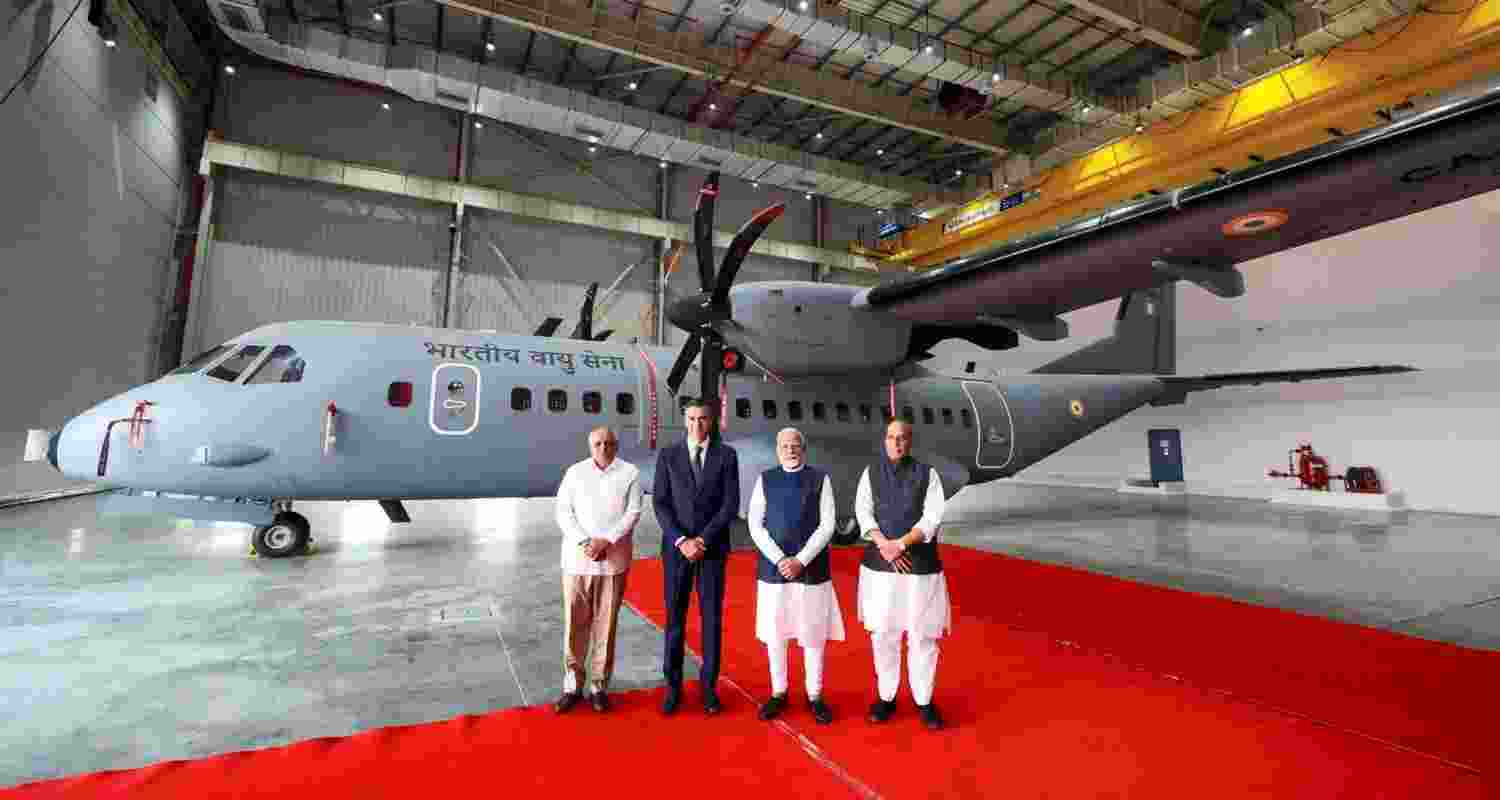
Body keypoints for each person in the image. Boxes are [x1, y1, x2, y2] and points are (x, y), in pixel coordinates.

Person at [855, 419, 950, 730]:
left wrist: (901, 544)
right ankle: (886, 697)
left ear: (910, 442)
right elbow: (863, 512)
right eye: (892, 437)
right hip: (880, 567)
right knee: (884, 633)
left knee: (922, 635)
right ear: (885, 440)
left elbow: (932, 518)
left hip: (919, 567)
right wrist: (885, 545)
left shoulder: (928, 474)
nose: (897, 443)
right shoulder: (870, 473)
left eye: (903, 438)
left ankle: (924, 701)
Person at [747, 427, 844, 724]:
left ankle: (815, 695)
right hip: (773, 570)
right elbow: (755, 524)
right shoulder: (765, 479)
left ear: (803, 449)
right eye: (784, 446)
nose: (790, 450)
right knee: (776, 634)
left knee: (812, 634)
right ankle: (779, 692)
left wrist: (800, 560)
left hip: (811, 570)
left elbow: (827, 525)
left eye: (795, 445)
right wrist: (780, 559)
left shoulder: (820, 479)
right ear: (777, 450)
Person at [653, 398, 740, 715]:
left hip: (711, 550)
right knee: (674, 619)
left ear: (711, 421)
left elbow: (730, 504)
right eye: (691, 418)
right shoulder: (668, 455)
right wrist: (681, 541)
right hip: (676, 551)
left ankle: (709, 689)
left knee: (711, 620)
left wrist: (702, 540)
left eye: (702, 418)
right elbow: (660, 503)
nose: (696, 424)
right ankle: (673, 687)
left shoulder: (726, 456)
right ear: (684, 421)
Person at [553, 426, 642, 714]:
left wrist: (607, 541)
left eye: (609, 443)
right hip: (577, 562)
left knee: (606, 627)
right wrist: (585, 542)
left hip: (613, 564)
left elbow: (633, 512)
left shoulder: (630, 473)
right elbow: (563, 512)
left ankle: (599, 687)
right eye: (598, 443)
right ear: (590, 446)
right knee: (574, 625)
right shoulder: (574, 473)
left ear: (616, 446)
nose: (603, 448)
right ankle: (572, 686)